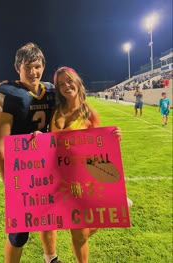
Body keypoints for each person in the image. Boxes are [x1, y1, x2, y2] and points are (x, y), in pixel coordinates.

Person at [0, 43, 61, 263]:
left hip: (46, 166)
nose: (33, 72)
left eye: (37, 66)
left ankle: (50, 257)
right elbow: (1, 146)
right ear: (17, 68)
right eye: (28, 67)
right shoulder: (8, 94)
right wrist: (8, 182)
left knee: (48, 216)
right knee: (20, 232)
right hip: (21, 171)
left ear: (43, 66)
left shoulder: (50, 91)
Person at [51, 66, 124, 263]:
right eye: (61, 84)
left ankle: (102, 215)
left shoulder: (90, 113)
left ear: (77, 81)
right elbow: (49, 145)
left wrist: (113, 139)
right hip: (63, 182)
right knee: (78, 233)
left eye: (69, 80)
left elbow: (100, 147)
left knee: (81, 234)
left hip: (86, 182)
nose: (66, 86)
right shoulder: (56, 112)